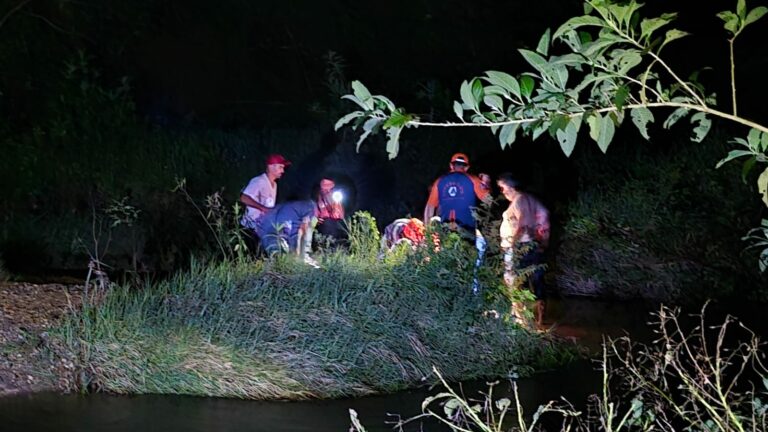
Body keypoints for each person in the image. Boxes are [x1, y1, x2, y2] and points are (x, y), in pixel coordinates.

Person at [423, 153, 492, 294]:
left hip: (446, 231)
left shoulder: (440, 182)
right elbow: (489, 200)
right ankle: (467, 297)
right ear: (466, 167)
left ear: (451, 165)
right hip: (467, 231)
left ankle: (449, 296)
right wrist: (486, 183)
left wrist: (428, 232)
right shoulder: (472, 180)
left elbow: (429, 208)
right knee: (468, 265)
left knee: (447, 264)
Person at [497, 174, 550, 328]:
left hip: (521, 247)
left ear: (510, 186)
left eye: (503, 187)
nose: (502, 191)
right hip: (533, 245)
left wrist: (512, 244)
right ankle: (539, 321)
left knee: (520, 282)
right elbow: (545, 215)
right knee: (537, 281)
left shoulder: (519, 200)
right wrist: (544, 239)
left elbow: (524, 223)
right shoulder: (531, 199)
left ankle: (524, 321)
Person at [239, 153, 290, 253]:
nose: (283, 171)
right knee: (253, 257)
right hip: (250, 228)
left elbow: (269, 205)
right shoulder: (259, 181)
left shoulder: (274, 184)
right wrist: (263, 208)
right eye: (280, 167)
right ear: (271, 167)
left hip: (262, 228)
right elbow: (243, 198)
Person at [256, 200, 319, 267]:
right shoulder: (309, 206)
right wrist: (301, 255)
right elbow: (302, 231)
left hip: (264, 231)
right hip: (276, 234)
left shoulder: (283, 205)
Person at [315, 177, 346, 241]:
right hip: (324, 226)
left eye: (330, 189)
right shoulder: (319, 198)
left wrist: (335, 206)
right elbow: (316, 214)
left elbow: (341, 215)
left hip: (335, 225)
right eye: (325, 189)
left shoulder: (336, 198)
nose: (327, 191)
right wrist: (317, 219)